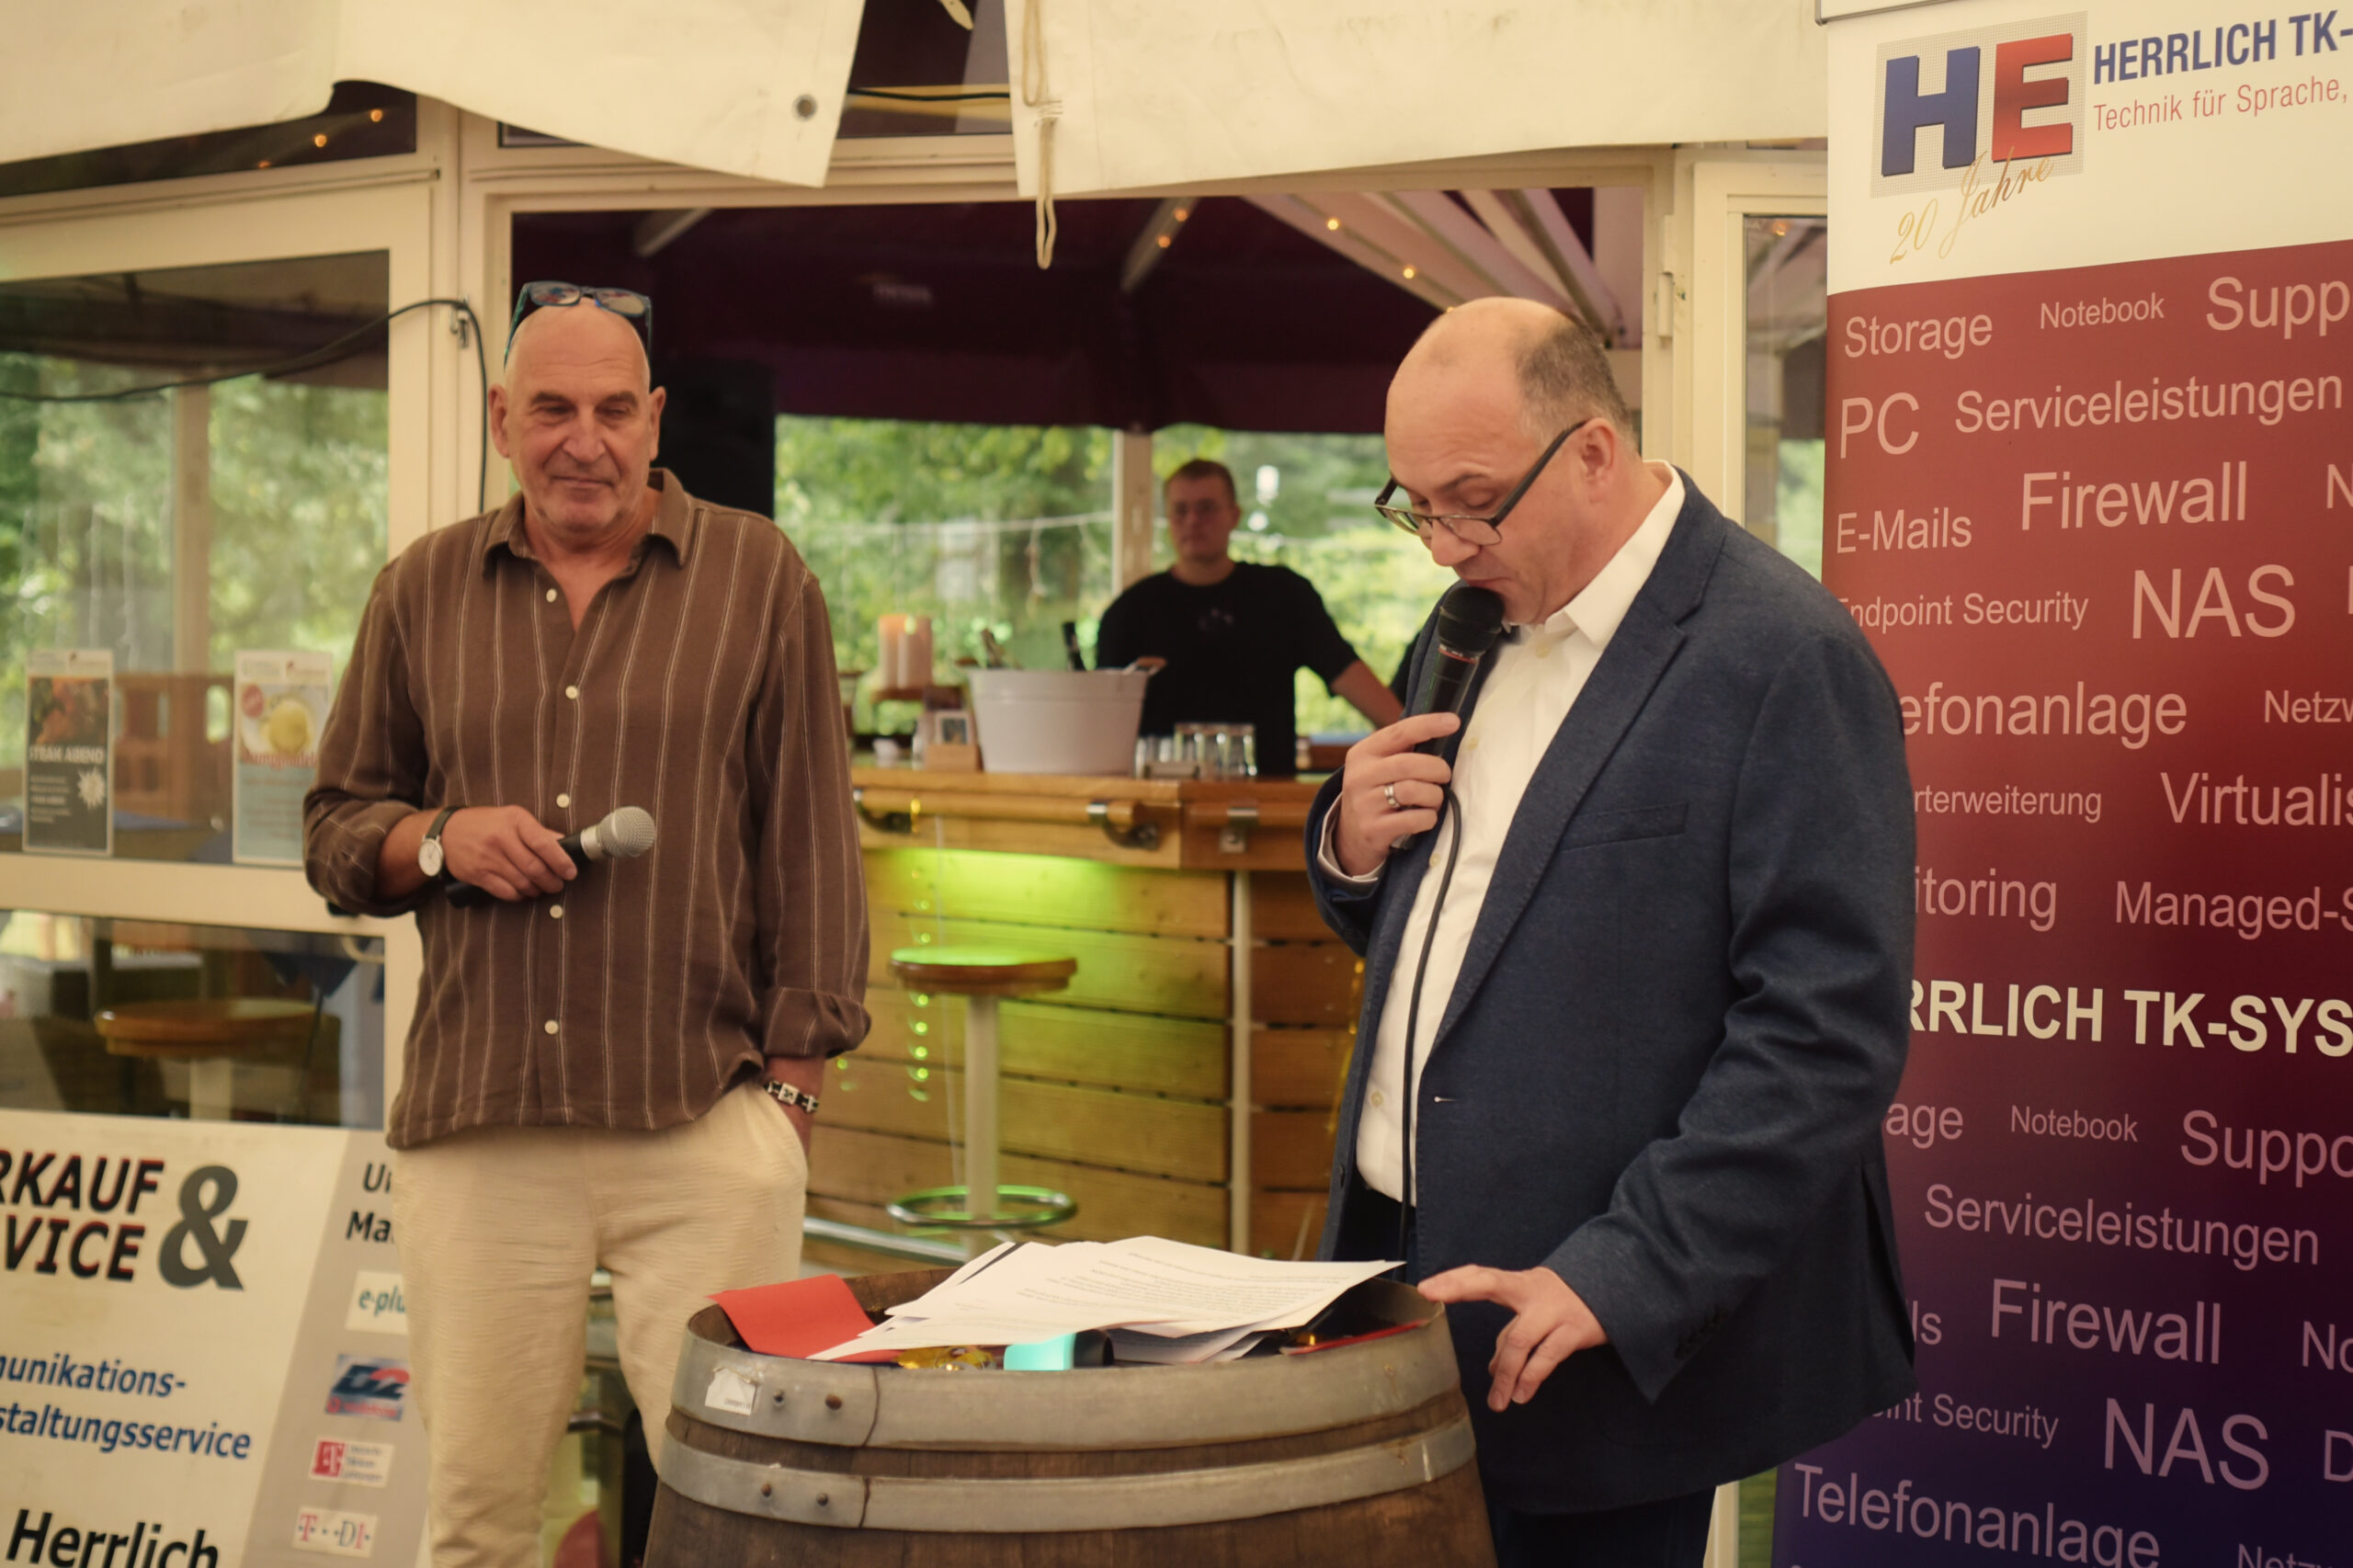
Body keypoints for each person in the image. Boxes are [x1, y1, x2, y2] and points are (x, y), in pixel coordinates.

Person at [1307, 299, 1915, 1566]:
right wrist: (1350, 846)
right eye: (1415, 505)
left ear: (1591, 451)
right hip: (1395, 1272)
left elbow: (1825, 1033)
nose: (1442, 547)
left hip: (1585, 1306)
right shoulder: (1466, 624)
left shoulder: (1782, 655)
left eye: (1474, 502)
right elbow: (1469, 925)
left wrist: (1627, 1270)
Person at [303, 283, 868, 1568]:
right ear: (501, 420)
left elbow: (812, 846)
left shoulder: (760, 577)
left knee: (745, 1513)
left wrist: (789, 1103)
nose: (584, 440)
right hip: (483, 1130)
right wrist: (438, 838)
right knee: (480, 1520)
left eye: (614, 410)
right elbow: (335, 827)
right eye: (552, 408)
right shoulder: (421, 587)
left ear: (654, 418)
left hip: (700, 1121)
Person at [1097, 457, 1403, 774]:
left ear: (1234, 515)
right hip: (1158, 797)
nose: (1193, 521)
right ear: (1167, 518)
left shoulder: (1284, 595)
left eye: (1206, 508)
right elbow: (1102, 724)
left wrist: (1417, 743)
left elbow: (1348, 674)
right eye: (1181, 510)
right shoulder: (1129, 612)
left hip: (1267, 797)